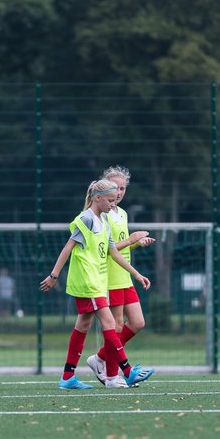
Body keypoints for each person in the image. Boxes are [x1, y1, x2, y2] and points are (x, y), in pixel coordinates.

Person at [40, 179, 155, 390]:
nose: (113, 204)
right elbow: (68, 247)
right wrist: (54, 275)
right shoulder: (86, 219)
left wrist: (137, 274)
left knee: (83, 324)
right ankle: (128, 372)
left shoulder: (103, 221)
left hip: (97, 281)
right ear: (97, 198)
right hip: (88, 281)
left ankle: (67, 377)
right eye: (110, 200)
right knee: (110, 324)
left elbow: (113, 253)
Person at [87, 165, 155, 386]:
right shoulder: (103, 214)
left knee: (137, 323)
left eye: (123, 188)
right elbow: (108, 249)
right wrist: (133, 238)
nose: (119, 192)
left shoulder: (122, 213)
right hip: (111, 277)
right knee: (115, 326)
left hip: (125, 275)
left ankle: (99, 359)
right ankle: (111, 375)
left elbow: (121, 248)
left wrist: (137, 244)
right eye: (115, 187)